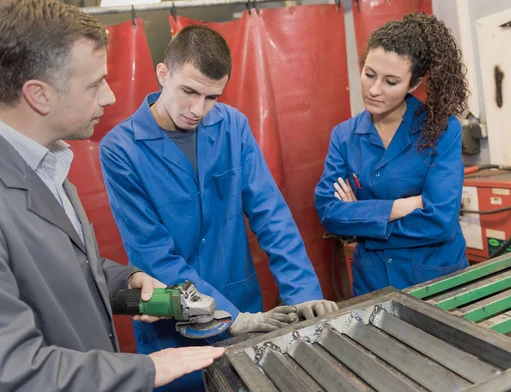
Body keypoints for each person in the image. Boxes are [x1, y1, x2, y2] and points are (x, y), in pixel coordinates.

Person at [0, 0, 224, 391]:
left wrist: (125, 278)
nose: (109, 97)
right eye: (94, 84)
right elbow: (10, 371)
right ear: (39, 95)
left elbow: (56, 268)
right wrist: (147, 370)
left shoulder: (45, 161)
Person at [100, 24, 338, 391]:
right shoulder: (120, 150)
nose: (199, 109)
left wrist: (304, 294)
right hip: (175, 324)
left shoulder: (233, 126)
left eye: (212, 97)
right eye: (189, 91)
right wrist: (227, 316)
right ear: (163, 73)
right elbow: (153, 254)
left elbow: (271, 216)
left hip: (248, 313)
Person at [315, 13, 469, 296]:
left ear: (413, 84)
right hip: (372, 282)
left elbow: (440, 222)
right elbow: (328, 212)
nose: (374, 90)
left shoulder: (443, 130)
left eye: (391, 81)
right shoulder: (343, 136)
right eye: (369, 74)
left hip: (435, 278)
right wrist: (401, 207)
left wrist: (364, 227)